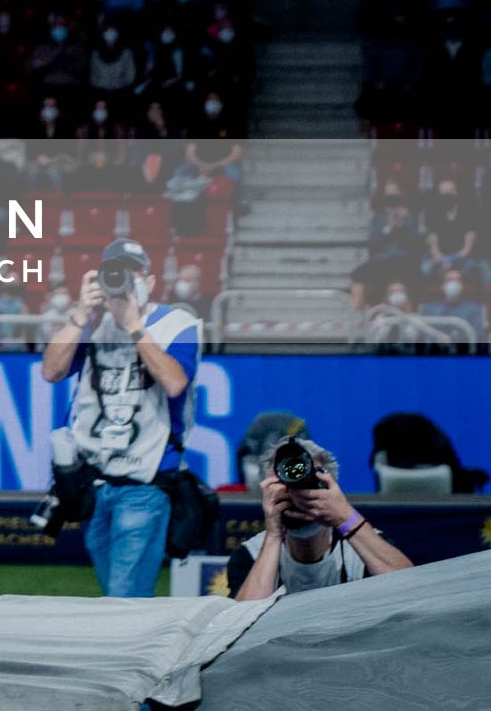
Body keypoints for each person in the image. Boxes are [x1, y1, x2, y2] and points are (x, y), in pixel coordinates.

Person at [42, 239, 201, 598]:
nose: (125, 280)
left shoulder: (178, 324)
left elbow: (175, 382)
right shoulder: (93, 323)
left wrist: (133, 326)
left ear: (151, 280)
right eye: (116, 272)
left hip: (145, 479)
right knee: (114, 589)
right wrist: (81, 314)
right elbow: (51, 371)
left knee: (123, 595)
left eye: (133, 272)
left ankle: (126, 651)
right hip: (93, 480)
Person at [228, 438, 413, 598]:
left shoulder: (362, 546)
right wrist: (274, 534)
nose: (297, 491)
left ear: (331, 488)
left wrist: (346, 517)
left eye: (309, 481)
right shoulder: (251, 554)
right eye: (282, 482)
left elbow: (411, 591)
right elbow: (240, 624)